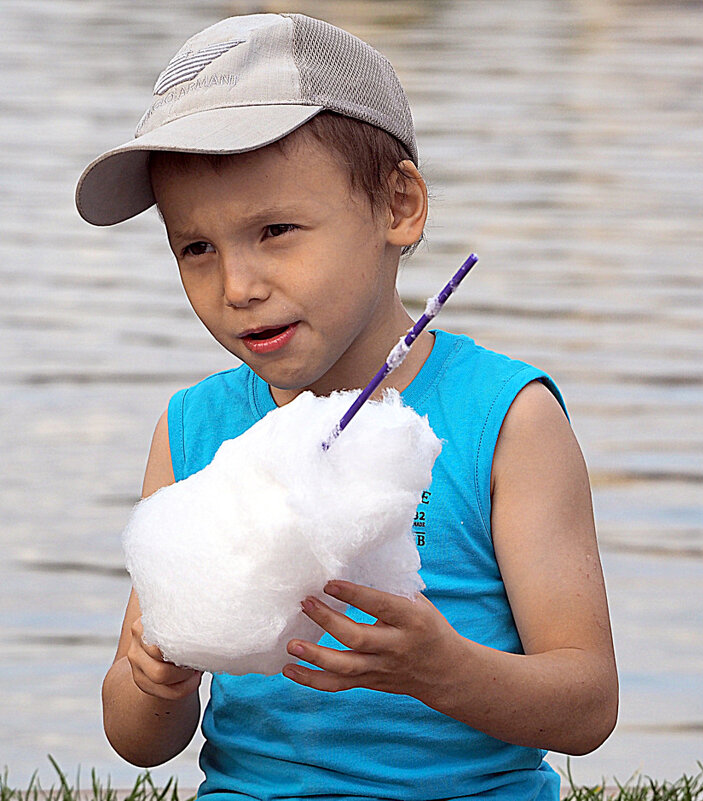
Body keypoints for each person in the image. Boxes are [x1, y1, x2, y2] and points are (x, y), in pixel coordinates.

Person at [76, 12, 618, 800]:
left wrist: (442, 668)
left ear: (398, 206)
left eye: (276, 229)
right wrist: (154, 682)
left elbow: (587, 705)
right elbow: (137, 740)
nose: (236, 286)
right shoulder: (194, 429)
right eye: (196, 247)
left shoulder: (506, 419)